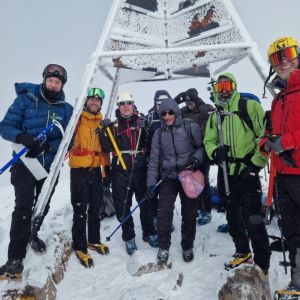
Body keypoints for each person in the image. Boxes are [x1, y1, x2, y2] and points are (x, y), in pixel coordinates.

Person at [0, 64, 73, 280]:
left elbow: (70, 139)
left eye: (57, 82)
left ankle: (31, 234)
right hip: (24, 164)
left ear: (61, 85)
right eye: (50, 80)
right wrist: (24, 138)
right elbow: (5, 127)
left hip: (49, 168)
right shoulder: (26, 99)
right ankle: (14, 259)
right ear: (44, 80)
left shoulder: (67, 109)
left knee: (43, 205)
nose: (53, 84)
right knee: (23, 207)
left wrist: (48, 147)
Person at [204, 72, 270, 275]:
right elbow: (209, 140)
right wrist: (215, 152)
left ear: (234, 85)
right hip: (227, 173)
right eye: (219, 87)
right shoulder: (215, 115)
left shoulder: (249, 107)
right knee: (232, 215)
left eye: (227, 85)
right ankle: (242, 251)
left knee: (253, 218)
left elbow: (264, 137)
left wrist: (254, 165)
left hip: (247, 172)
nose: (223, 90)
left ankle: (262, 263)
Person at [259, 36, 300, 297]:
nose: (284, 61)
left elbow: (288, 136)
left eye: (289, 53)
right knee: (293, 231)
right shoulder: (277, 100)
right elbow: (270, 132)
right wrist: (266, 143)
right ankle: (297, 281)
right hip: (283, 175)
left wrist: (286, 142)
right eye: (277, 58)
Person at [146, 97, 205, 263]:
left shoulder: (189, 127)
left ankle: (187, 246)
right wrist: (151, 184)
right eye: (163, 113)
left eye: (170, 112)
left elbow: (201, 147)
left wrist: (196, 160)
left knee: (189, 213)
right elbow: (154, 160)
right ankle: (164, 246)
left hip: (187, 175)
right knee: (164, 212)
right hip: (168, 177)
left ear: (176, 112)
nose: (167, 116)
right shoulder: (158, 134)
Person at [100, 91, 157, 255]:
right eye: (123, 103)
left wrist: (146, 128)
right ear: (118, 106)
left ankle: (149, 233)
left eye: (129, 103)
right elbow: (106, 148)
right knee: (123, 206)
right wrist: (104, 131)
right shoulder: (114, 126)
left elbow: (149, 143)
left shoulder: (141, 122)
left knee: (146, 203)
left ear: (133, 105)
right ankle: (129, 237)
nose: (126, 106)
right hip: (120, 171)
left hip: (140, 168)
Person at [69, 87, 110, 268]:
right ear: (86, 102)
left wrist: (106, 169)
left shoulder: (102, 122)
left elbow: (105, 148)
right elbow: (67, 141)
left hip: (95, 171)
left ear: (101, 103)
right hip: (79, 171)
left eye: (98, 100)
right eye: (91, 99)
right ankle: (79, 246)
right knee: (80, 211)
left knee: (95, 208)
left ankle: (93, 240)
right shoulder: (78, 119)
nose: (94, 102)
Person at [175, 88, 214, 226]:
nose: (188, 105)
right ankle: (197, 208)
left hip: (204, 149)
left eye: (191, 102)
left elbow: (215, 123)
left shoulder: (206, 109)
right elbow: (169, 114)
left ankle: (207, 210)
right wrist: (176, 100)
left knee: (204, 180)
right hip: (189, 151)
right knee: (190, 181)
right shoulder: (183, 112)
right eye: (186, 103)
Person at [145, 90, 171, 226]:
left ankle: (165, 217)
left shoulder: (173, 115)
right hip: (154, 160)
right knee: (153, 191)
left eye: (164, 103)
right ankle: (155, 216)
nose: (161, 106)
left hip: (170, 162)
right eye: (158, 103)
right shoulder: (150, 117)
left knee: (167, 194)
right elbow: (145, 139)